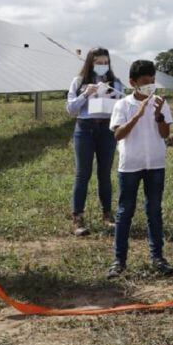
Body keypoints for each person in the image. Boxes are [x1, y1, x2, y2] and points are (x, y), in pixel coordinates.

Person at [107, 60, 173, 278]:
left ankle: (158, 257)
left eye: (153, 81)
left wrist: (159, 117)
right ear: (133, 83)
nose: (150, 86)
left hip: (155, 163)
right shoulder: (123, 105)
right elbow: (118, 134)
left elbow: (165, 134)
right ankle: (119, 260)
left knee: (154, 210)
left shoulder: (160, 103)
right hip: (131, 165)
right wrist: (138, 115)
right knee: (125, 211)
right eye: (145, 82)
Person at [65, 47, 124, 236]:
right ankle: (77, 218)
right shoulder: (79, 82)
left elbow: (123, 105)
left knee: (105, 173)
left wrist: (115, 96)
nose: (102, 66)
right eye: (98, 63)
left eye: (105, 62)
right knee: (83, 174)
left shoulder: (115, 82)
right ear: (90, 63)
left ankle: (107, 215)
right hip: (85, 128)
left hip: (107, 129)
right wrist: (85, 94)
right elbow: (71, 109)